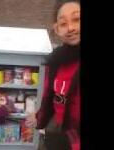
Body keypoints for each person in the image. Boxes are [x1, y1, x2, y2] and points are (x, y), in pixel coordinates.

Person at [25, 0, 80, 150]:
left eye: (77, 19)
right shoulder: (56, 59)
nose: (70, 28)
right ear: (56, 29)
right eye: (63, 24)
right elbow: (49, 96)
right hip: (56, 131)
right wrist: (39, 117)